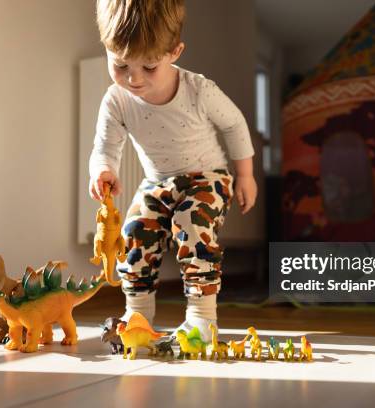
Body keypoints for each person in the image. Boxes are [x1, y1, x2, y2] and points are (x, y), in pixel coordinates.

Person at [89, 0, 257, 342]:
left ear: (174, 52)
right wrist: (104, 169)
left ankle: (201, 318)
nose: (133, 78)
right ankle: (137, 315)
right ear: (106, 49)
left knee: (190, 224)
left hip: (207, 176)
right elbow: (105, 146)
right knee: (134, 229)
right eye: (120, 64)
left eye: (149, 67)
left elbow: (235, 124)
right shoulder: (116, 100)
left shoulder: (198, 90)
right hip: (157, 182)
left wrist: (246, 175)